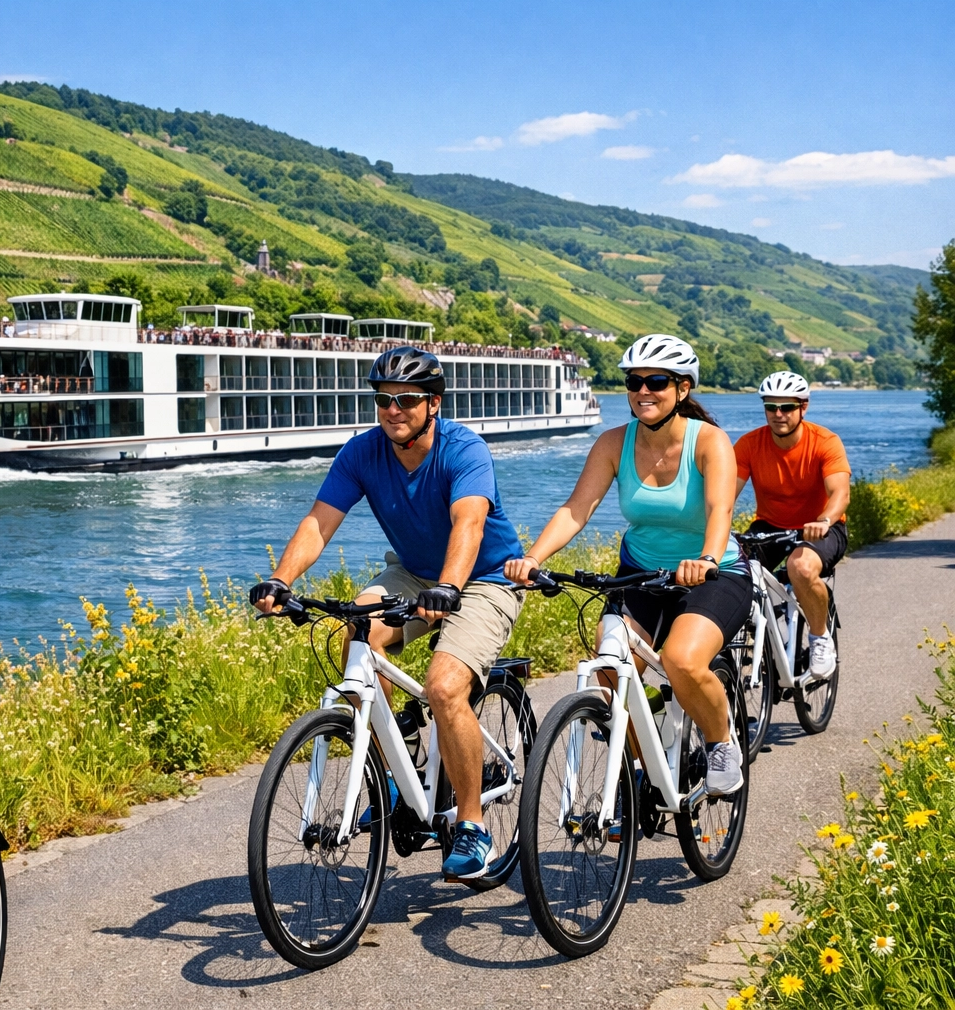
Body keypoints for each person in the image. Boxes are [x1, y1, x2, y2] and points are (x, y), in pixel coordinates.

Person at [250, 346, 526, 879]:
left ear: (434, 404)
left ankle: (472, 825)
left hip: (482, 577)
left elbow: (468, 523)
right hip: (414, 572)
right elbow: (319, 522)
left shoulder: (464, 450)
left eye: (405, 399)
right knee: (357, 630)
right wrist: (282, 580)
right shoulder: (361, 453)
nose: (392, 410)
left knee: (446, 687)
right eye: (382, 400)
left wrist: (449, 587)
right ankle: (402, 768)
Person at [504, 334, 748, 797]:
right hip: (641, 573)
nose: (643, 390)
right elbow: (577, 508)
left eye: (656, 381)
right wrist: (533, 557)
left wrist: (707, 559)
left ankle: (720, 742)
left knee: (681, 660)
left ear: (683, 389)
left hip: (713, 574)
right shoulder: (615, 443)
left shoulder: (710, 441)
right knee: (610, 663)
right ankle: (644, 766)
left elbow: (721, 511)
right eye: (634, 381)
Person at [734, 371, 850, 679]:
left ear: (803, 407)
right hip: (770, 525)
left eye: (787, 406)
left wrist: (824, 520)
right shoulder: (749, 444)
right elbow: (724, 495)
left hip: (822, 527)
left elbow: (840, 493)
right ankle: (752, 632)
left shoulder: (825, 442)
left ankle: (820, 636)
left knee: (800, 568)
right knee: (731, 569)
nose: (778, 414)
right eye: (770, 407)